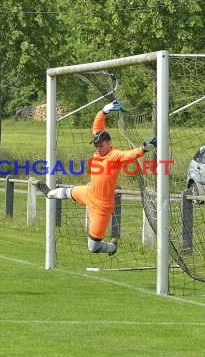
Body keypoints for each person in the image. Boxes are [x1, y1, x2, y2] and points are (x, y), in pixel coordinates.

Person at [34, 101, 157, 256]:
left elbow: (129, 155)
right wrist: (103, 112)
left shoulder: (115, 155)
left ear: (109, 143)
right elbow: (97, 128)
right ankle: (48, 193)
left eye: (101, 145)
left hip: (102, 206)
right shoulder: (98, 151)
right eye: (96, 145)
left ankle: (112, 246)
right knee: (66, 192)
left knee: (93, 247)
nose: (98, 148)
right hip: (88, 192)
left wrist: (144, 149)